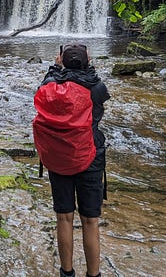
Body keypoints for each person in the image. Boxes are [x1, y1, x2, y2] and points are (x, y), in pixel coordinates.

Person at [34, 43, 110, 277]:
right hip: (90, 157)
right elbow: (98, 88)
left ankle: (66, 272)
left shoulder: (49, 87)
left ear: (61, 61)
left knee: (64, 217)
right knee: (90, 221)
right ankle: (93, 274)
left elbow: (46, 83)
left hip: (59, 159)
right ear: (88, 61)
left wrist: (55, 68)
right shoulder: (96, 87)